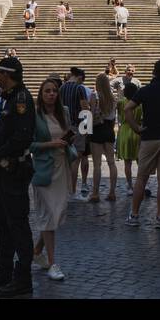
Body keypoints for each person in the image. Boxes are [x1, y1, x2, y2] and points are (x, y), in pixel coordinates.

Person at [0, 57, 36, 298]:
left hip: (15, 170)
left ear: (7, 74)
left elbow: (21, 138)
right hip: (3, 169)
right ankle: (3, 272)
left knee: (18, 225)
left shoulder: (21, 99)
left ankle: (22, 278)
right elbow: (3, 134)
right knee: (2, 224)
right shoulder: (9, 97)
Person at [124, 61, 160, 228]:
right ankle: (159, 218)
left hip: (149, 137)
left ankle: (134, 215)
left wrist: (136, 128)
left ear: (153, 72)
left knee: (142, 177)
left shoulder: (145, 91)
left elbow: (128, 109)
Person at [30, 79, 73, 282]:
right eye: (47, 91)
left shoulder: (63, 112)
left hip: (61, 167)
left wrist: (67, 141)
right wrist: (51, 143)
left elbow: (67, 135)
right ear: (41, 93)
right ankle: (53, 263)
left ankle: (37, 250)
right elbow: (30, 145)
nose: (51, 94)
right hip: (44, 168)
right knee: (49, 214)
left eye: (54, 91)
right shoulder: (35, 114)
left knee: (57, 213)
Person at [58, 67, 91, 198]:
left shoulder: (61, 88)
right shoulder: (79, 88)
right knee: (76, 159)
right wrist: (87, 129)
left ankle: (66, 189)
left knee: (66, 159)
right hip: (78, 127)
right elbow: (85, 110)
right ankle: (72, 191)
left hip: (64, 127)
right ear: (79, 77)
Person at [88, 73, 119, 202]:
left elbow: (91, 113)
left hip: (98, 129)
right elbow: (113, 117)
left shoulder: (94, 96)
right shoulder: (113, 98)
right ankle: (112, 192)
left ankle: (95, 193)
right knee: (112, 162)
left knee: (97, 164)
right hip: (109, 129)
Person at [116, 81, 141, 194]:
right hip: (137, 131)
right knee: (140, 161)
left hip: (125, 131)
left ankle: (130, 186)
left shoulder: (121, 103)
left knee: (127, 163)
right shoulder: (140, 104)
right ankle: (142, 184)